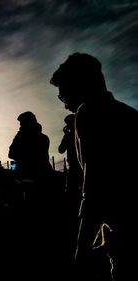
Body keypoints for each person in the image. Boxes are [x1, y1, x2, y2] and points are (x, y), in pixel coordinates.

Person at [50, 52, 138, 280]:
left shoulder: (89, 112)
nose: (63, 101)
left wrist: (81, 250)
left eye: (62, 93)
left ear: (77, 84)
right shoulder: (128, 113)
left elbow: (97, 187)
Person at [8, 111, 52, 185]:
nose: (20, 126)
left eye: (22, 123)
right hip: (44, 174)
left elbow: (11, 154)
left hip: (27, 175)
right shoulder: (44, 137)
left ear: (27, 123)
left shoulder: (21, 137)